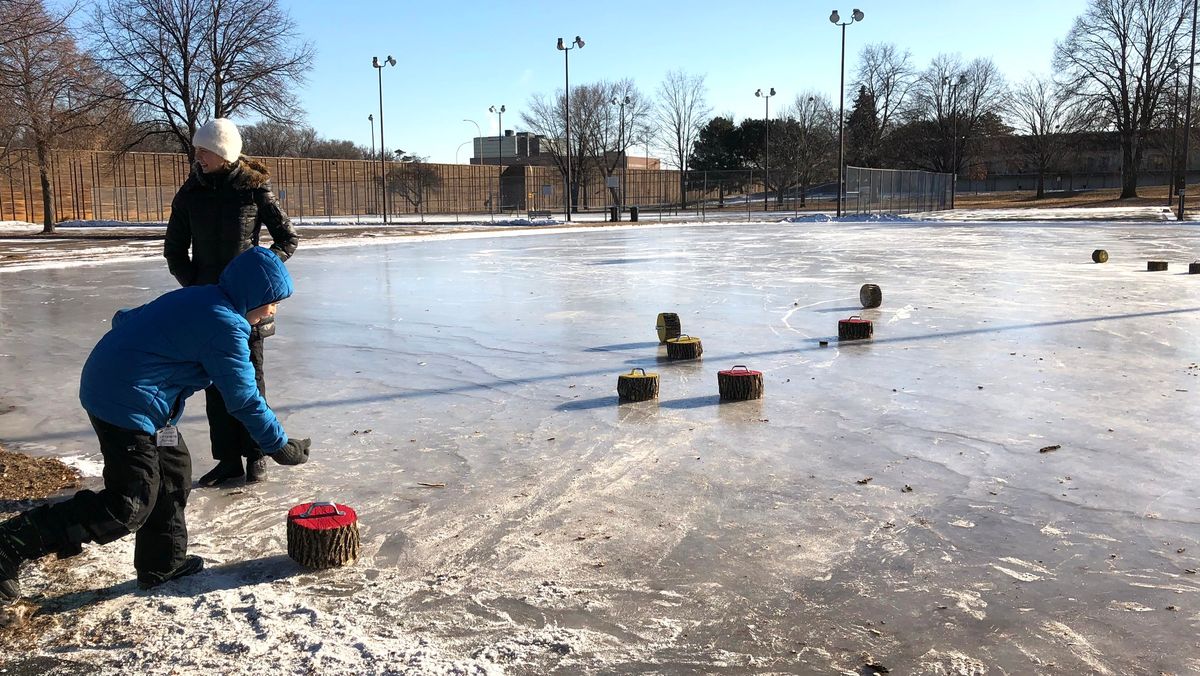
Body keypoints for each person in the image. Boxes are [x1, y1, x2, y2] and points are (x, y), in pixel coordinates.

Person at [0, 247, 311, 600]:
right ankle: (11, 544)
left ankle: (161, 564)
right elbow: (243, 399)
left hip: (122, 390)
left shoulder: (202, 297)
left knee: (173, 471)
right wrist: (278, 445)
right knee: (129, 505)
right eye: (272, 301)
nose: (273, 310)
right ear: (253, 295)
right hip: (125, 405)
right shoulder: (224, 326)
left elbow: (128, 318)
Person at [164, 118, 300, 486]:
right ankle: (227, 460)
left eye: (204, 149)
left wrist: (260, 276)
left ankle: (257, 454)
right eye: (197, 149)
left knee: (249, 379)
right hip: (206, 303)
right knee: (212, 382)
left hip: (248, 304)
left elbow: (287, 238)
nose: (198, 156)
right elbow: (174, 250)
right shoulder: (190, 192)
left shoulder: (254, 189)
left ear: (224, 153)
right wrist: (194, 286)